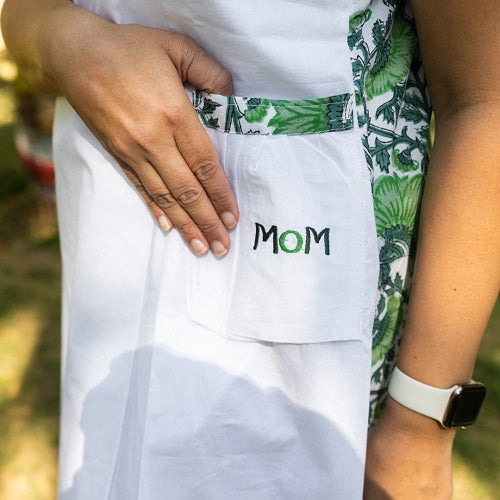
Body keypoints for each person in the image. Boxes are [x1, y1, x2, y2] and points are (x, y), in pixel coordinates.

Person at [2, 0, 499, 498]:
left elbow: (483, 97)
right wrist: (65, 44)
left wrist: (419, 428)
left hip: (319, 339)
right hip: (109, 257)